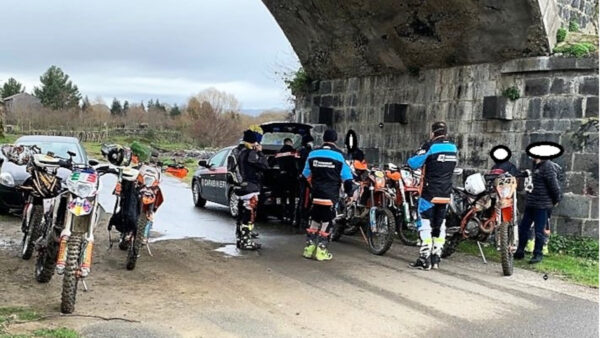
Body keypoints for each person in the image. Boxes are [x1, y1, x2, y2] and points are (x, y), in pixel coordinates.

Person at [407, 121, 458, 270]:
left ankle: (424, 258)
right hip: (446, 192)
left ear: (433, 133)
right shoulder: (453, 147)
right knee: (440, 222)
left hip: (430, 192)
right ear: (446, 133)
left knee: (425, 223)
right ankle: (436, 257)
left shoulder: (430, 147)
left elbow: (413, 163)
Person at [302, 129, 353, 261]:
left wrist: (313, 187)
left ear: (323, 139)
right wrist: (350, 194)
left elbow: (305, 175)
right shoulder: (340, 156)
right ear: (335, 140)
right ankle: (321, 250)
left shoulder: (312, 154)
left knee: (314, 219)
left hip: (316, 194)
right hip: (330, 196)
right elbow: (347, 178)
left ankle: (308, 249)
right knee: (327, 221)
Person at [515, 152, 562, 264]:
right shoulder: (536, 165)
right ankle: (520, 250)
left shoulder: (548, 166)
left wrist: (556, 200)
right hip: (531, 203)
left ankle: (537, 254)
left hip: (542, 205)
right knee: (523, 228)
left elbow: (554, 186)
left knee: (539, 231)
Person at [234, 129, 269, 250]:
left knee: (242, 213)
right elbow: (264, 165)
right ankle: (246, 241)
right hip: (251, 188)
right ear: (254, 142)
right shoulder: (251, 153)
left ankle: (240, 238)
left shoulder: (240, 151)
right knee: (249, 215)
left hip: (241, 186)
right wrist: (261, 153)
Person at [276, 138, 299, 223]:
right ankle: (291, 216)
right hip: (292, 177)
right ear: (291, 143)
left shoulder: (279, 152)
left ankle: (283, 215)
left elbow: (273, 163)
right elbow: (298, 163)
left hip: (282, 176)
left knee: (283, 196)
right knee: (292, 197)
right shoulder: (294, 152)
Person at [295, 134, 314, 229]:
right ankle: (303, 220)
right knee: (305, 200)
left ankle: (298, 219)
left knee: (302, 199)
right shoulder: (306, 152)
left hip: (302, 177)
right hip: (306, 178)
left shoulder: (299, 151)